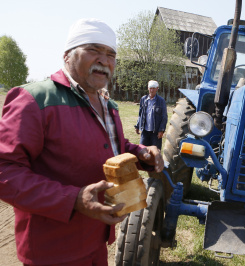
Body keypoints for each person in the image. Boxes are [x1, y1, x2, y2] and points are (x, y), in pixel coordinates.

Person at [0, 18, 164, 265]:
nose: (104, 60)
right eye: (93, 50)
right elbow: (5, 170)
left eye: (110, 54)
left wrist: (141, 153)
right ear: (67, 55)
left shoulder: (106, 104)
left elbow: (114, 146)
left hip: (96, 241)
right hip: (53, 250)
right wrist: (72, 199)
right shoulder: (34, 100)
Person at [135, 80, 168, 150]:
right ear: (148, 88)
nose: (152, 90)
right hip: (145, 131)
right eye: (150, 88)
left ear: (157, 88)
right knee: (142, 150)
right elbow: (140, 114)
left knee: (155, 152)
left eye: (153, 88)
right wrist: (137, 126)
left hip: (155, 132)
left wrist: (161, 130)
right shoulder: (143, 99)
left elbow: (164, 116)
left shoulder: (161, 101)